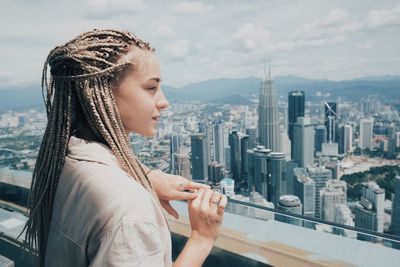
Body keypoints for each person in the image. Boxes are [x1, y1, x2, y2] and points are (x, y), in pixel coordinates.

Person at [23, 29, 227, 267]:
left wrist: (145, 177)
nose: (164, 102)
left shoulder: (61, 160)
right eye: (151, 88)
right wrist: (201, 239)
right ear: (102, 94)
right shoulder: (130, 210)